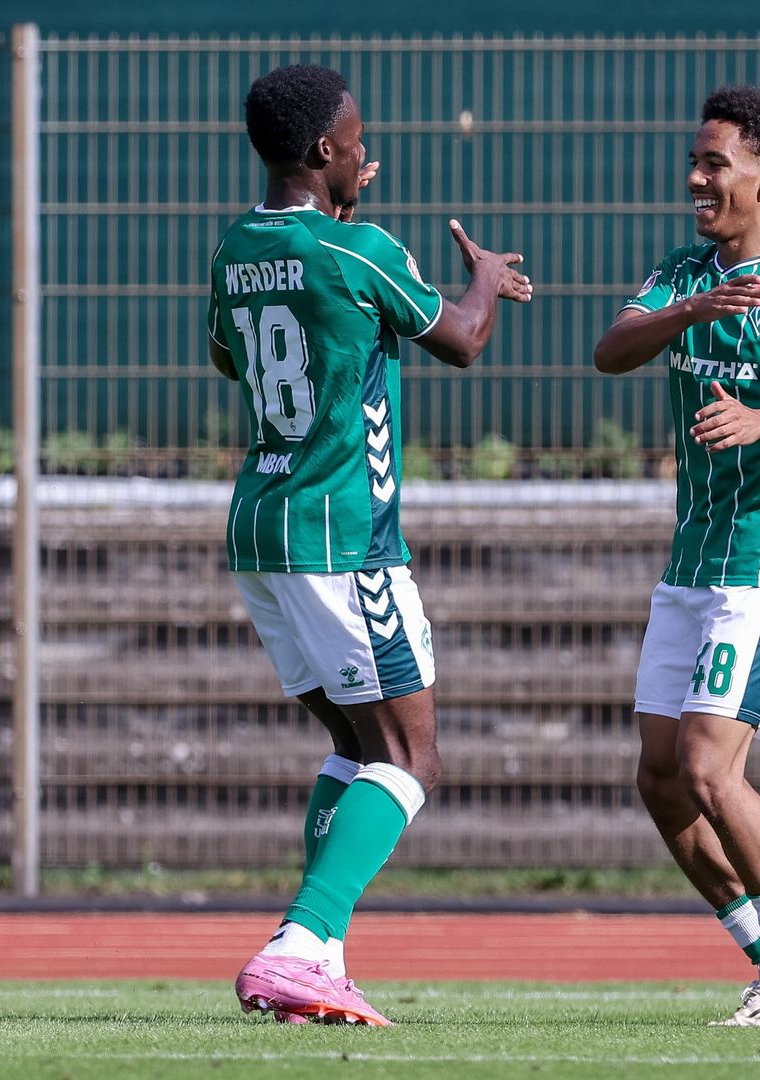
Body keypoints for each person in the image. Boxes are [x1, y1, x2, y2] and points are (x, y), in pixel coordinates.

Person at [211, 63, 531, 1026]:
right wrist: (479, 277)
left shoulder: (234, 247)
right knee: (412, 757)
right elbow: (464, 340)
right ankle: (299, 942)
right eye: (355, 144)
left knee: (355, 745)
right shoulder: (362, 249)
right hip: (342, 535)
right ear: (321, 151)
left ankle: (321, 959)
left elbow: (231, 356)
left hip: (261, 526)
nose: (367, 156)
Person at [592, 85, 760, 1026]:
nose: (697, 178)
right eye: (696, 161)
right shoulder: (686, 273)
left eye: (716, 164)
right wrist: (690, 308)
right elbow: (612, 349)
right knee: (660, 779)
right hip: (694, 562)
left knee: (712, 767)